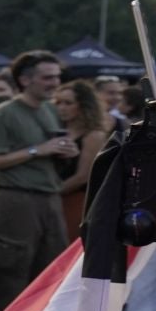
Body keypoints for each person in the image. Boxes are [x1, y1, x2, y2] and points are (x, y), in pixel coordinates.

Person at [0, 50, 75, 309]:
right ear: (25, 80)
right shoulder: (3, 113)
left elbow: (50, 151)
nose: (55, 83)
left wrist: (66, 152)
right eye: (47, 77)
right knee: (11, 277)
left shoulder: (50, 110)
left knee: (52, 274)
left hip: (49, 199)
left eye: (56, 77)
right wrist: (36, 151)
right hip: (15, 199)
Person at [53, 79, 109, 238]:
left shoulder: (93, 135)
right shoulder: (57, 130)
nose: (61, 107)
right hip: (52, 199)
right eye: (58, 102)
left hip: (75, 201)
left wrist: (50, 193)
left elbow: (83, 176)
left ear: (83, 105)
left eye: (68, 103)